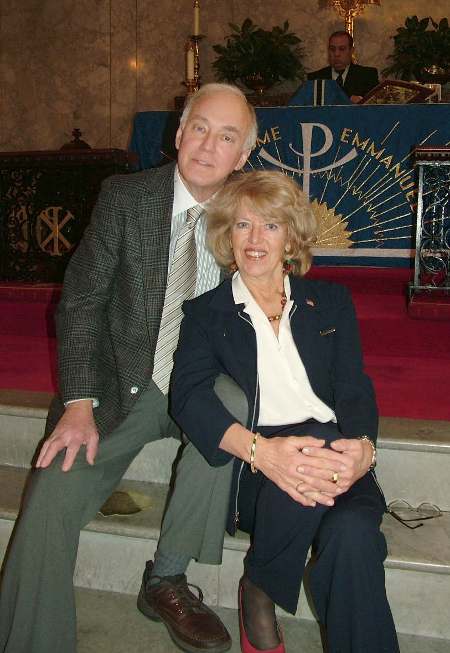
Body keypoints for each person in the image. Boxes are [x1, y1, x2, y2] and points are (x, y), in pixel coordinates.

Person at [0, 83, 257, 653]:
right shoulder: (126, 198)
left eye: (226, 137)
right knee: (49, 497)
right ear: (178, 133)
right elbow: (82, 302)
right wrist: (78, 403)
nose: (208, 145)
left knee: (233, 405)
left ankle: (166, 578)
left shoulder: (254, 211)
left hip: (202, 384)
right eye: (199, 128)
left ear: (242, 155)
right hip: (122, 381)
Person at [170, 170, 400, 653]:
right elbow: (188, 396)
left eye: (270, 226)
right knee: (321, 480)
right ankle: (265, 584)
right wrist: (261, 451)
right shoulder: (206, 313)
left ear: (291, 239)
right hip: (259, 465)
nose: (255, 239)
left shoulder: (331, 302)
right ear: (227, 236)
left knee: (354, 535)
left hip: (336, 454)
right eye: (243, 225)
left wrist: (364, 449)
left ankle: (260, 582)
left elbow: (353, 386)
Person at [308, 31, 379, 103]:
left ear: (351, 51)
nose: (336, 54)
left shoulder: (367, 76)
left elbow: (375, 106)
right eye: (332, 49)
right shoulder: (315, 79)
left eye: (342, 49)